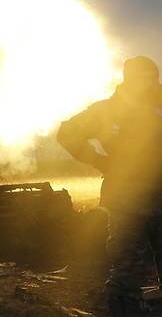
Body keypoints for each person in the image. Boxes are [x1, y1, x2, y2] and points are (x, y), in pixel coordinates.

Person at [57, 56, 162, 316]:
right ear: (127, 79)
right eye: (140, 78)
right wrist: (100, 161)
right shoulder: (108, 110)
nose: (146, 84)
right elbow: (67, 133)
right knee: (127, 274)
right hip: (126, 202)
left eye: (151, 78)